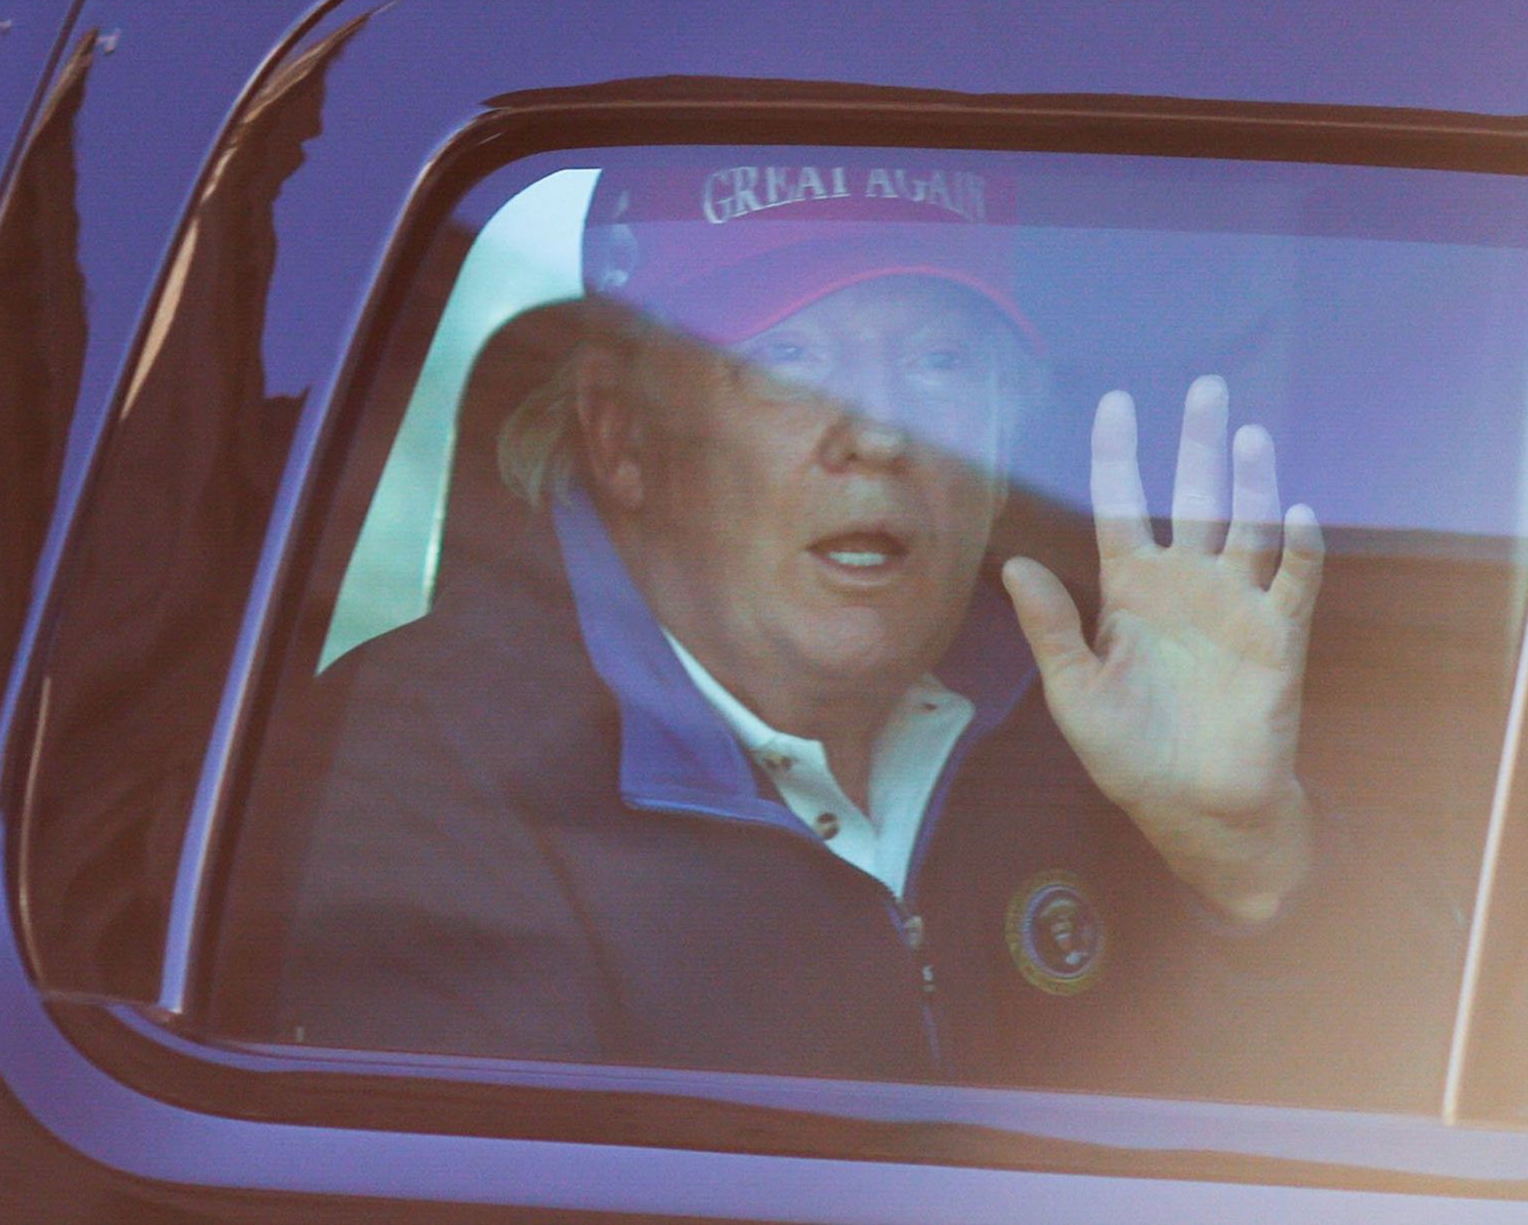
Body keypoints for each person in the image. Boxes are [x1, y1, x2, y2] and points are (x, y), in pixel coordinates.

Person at [269, 157, 1324, 1091]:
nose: (875, 431)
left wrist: (1243, 866)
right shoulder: (411, 777)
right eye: (787, 358)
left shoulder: (1098, 720)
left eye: (939, 365)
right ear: (621, 433)